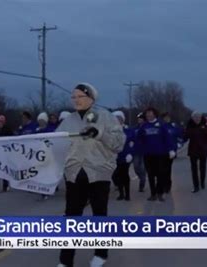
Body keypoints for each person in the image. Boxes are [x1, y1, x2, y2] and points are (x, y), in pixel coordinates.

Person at [56, 82, 125, 267]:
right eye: (74, 97)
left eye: (80, 96)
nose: (76, 100)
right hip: (74, 174)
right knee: (71, 218)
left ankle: (100, 254)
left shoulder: (106, 117)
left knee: (99, 216)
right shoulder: (68, 120)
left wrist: (99, 133)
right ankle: (65, 260)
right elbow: (55, 145)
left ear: (91, 98)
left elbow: (118, 144)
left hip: (98, 174)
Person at [138, 107, 174, 202]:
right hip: (148, 155)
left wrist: (171, 150)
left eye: (150, 113)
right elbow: (139, 139)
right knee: (150, 175)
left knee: (160, 174)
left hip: (160, 154)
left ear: (154, 114)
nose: (148, 115)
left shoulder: (161, 125)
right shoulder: (144, 126)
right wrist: (141, 149)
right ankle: (153, 194)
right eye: (147, 113)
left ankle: (160, 193)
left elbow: (167, 138)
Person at [184, 111, 207, 193]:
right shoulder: (189, 126)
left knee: (202, 168)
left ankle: (202, 182)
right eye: (195, 117)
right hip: (193, 151)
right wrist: (184, 134)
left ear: (201, 118)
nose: (197, 119)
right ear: (192, 118)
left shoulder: (204, 126)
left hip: (203, 151)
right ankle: (196, 186)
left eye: (198, 117)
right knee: (194, 169)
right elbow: (185, 137)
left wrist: (206, 147)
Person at [112, 111, 133, 201]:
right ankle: (121, 193)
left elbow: (133, 143)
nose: (117, 120)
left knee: (124, 175)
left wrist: (130, 154)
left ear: (122, 120)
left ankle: (127, 194)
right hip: (115, 157)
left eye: (119, 118)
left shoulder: (128, 131)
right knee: (116, 175)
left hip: (125, 157)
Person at [161, 112, 181, 193]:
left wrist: (178, 144)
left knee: (168, 169)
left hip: (171, 152)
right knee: (161, 169)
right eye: (165, 117)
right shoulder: (160, 127)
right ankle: (162, 184)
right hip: (161, 151)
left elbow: (180, 136)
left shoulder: (173, 127)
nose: (167, 119)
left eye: (168, 117)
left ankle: (168, 185)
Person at [131, 113, 147, 192]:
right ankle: (142, 178)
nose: (139, 120)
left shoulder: (147, 127)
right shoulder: (134, 128)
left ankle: (142, 183)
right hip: (136, 151)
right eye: (138, 118)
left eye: (141, 118)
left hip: (145, 151)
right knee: (136, 167)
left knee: (143, 168)